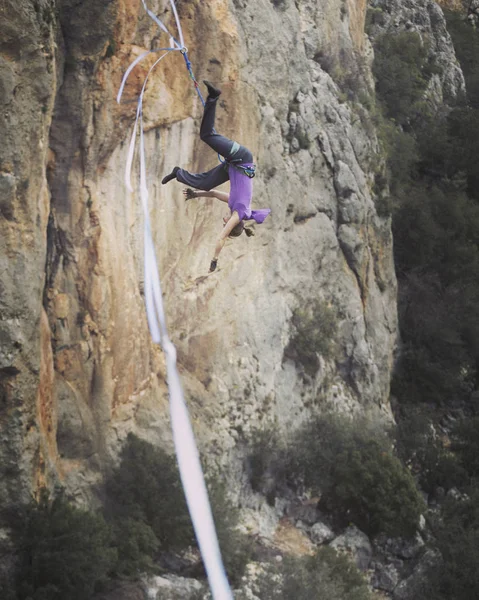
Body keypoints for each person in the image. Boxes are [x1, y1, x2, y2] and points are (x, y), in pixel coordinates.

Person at [161, 80, 271, 272]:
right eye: (227, 225)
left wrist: (195, 195)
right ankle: (213, 96)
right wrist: (214, 260)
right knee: (206, 135)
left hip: (233, 167)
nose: (224, 222)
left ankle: (178, 173)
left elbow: (212, 193)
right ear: (233, 225)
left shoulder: (235, 205)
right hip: (241, 159)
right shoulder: (238, 213)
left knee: (205, 183)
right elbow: (221, 237)